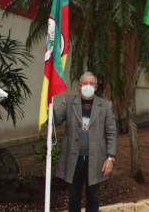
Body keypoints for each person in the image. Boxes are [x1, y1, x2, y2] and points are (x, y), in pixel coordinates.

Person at [54, 71, 117, 212]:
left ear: (96, 87)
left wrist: (110, 158)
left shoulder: (105, 105)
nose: (88, 86)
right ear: (79, 86)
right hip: (73, 159)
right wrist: (47, 108)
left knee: (93, 198)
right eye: (85, 83)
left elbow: (111, 133)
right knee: (73, 197)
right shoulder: (69, 102)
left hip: (96, 160)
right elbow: (55, 120)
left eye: (92, 83)